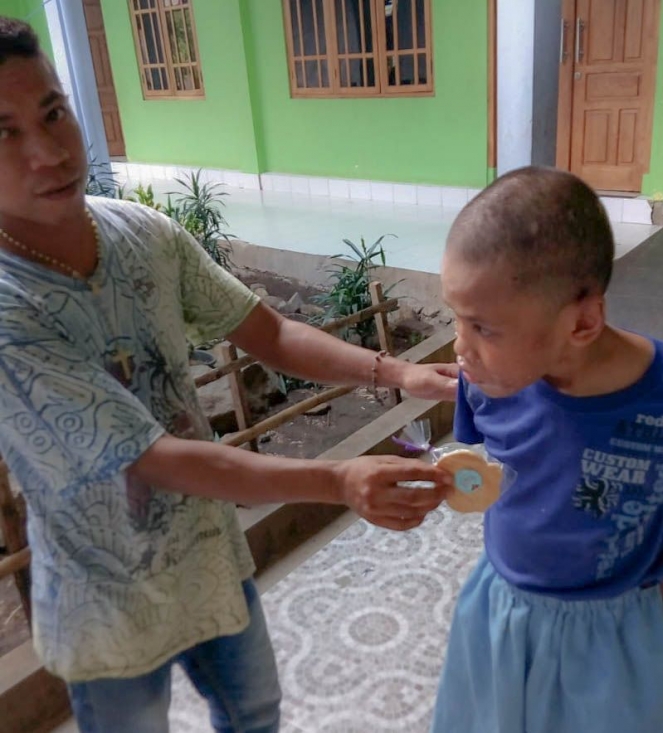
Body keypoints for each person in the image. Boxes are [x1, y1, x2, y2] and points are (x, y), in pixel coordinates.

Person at [0, 18, 459, 733]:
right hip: (104, 601)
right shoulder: (8, 309)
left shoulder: (141, 234)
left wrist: (402, 371)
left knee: (254, 713)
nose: (49, 151)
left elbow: (266, 329)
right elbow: (157, 460)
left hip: (209, 561)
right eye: (5, 133)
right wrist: (336, 480)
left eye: (53, 111)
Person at [431, 166, 663, 733]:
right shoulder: (485, 385)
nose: (459, 347)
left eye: (483, 327)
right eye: (456, 318)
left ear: (584, 322)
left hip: (616, 628)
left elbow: (653, 486)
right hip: (504, 610)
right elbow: (483, 477)